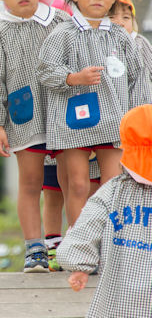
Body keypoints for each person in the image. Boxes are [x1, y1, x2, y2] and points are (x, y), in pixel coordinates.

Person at [37, 0, 151, 227]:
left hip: (114, 124)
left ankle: (108, 247)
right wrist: (73, 78)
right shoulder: (62, 34)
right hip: (72, 124)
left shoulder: (122, 37)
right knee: (76, 186)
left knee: (112, 187)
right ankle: (80, 247)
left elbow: (138, 80)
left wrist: (137, 122)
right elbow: (44, 71)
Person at [0, 0, 70, 272]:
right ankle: (35, 249)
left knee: (68, 183)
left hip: (64, 116)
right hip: (24, 117)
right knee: (30, 183)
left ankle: (70, 245)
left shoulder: (62, 22)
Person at [57, 104, 152, 317]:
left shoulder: (113, 190)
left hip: (119, 301)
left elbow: (87, 225)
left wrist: (79, 264)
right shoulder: (111, 190)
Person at [109, 0, 152, 85]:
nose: (120, 22)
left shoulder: (140, 42)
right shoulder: (95, 43)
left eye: (126, 17)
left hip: (139, 95)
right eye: (111, 17)